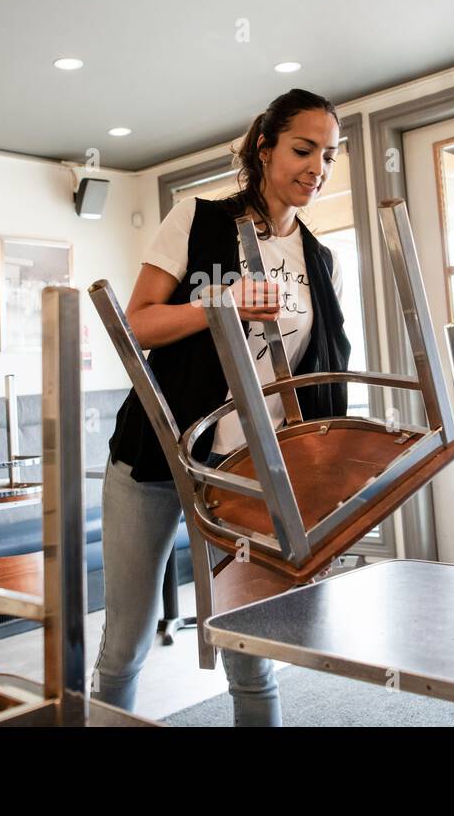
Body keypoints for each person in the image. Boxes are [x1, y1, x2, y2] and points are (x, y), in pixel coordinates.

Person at [92, 88, 352, 726]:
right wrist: (222, 305)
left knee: (249, 647)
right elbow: (138, 324)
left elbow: (320, 377)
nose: (315, 167)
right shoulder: (197, 219)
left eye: (328, 155)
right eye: (301, 149)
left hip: (248, 472)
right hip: (157, 452)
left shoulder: (322, 262)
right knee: (125, 642)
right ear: (264, 148)